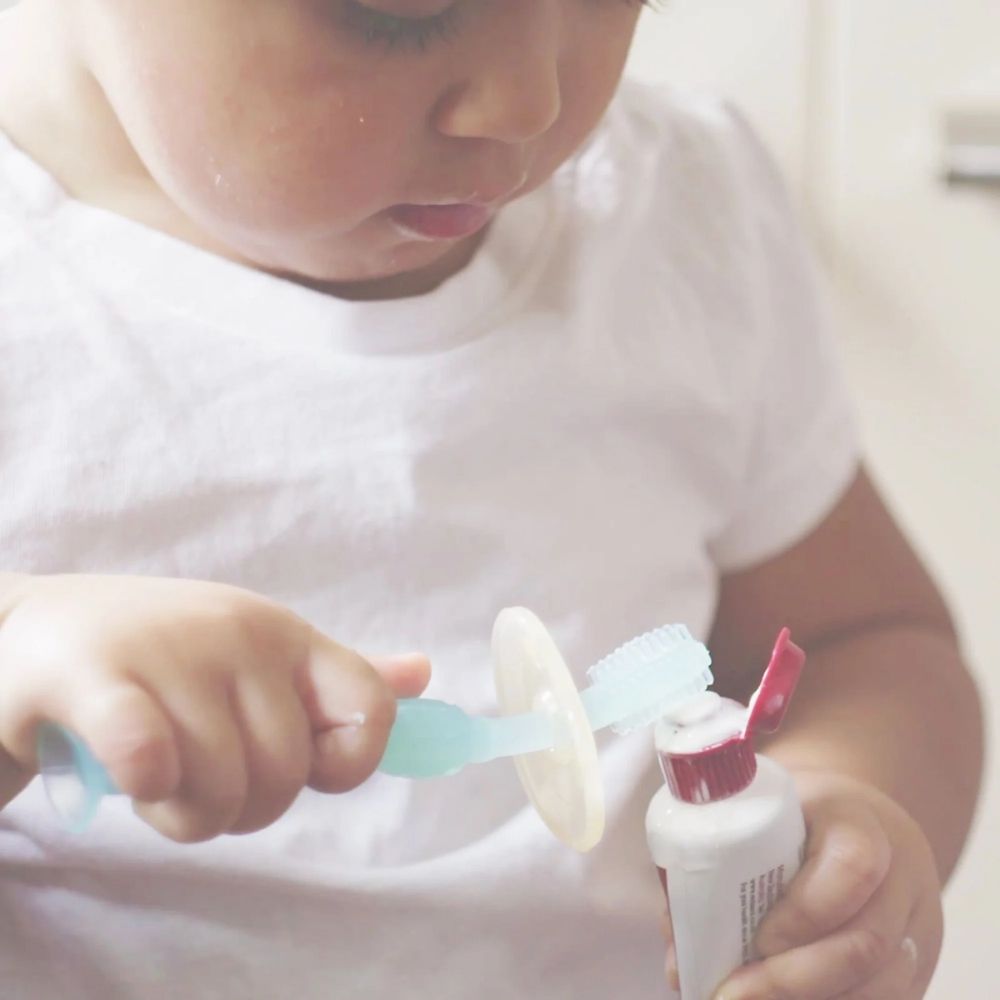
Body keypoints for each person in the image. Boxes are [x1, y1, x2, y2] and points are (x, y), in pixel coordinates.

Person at [0, 1, 983, 997]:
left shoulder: (680, 213)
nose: (529, 102)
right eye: (397, 13)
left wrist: (844, 820)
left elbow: (870, 642)